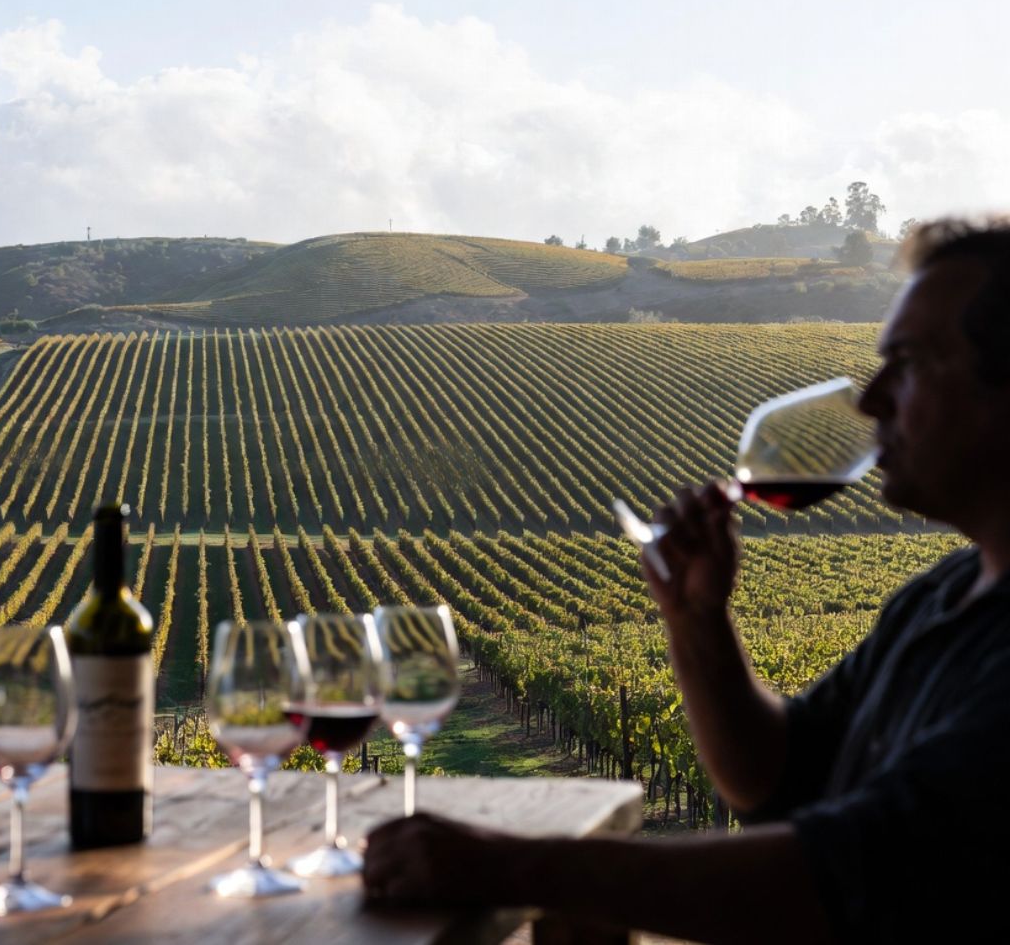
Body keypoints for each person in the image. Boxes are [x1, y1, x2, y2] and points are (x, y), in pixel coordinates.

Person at [362, 216, 1010, 945]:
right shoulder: (942, 597)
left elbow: (839, 876)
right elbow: (777, 778)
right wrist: (697, 619)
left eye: (913, 361)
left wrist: (511, 865)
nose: (869, 399)